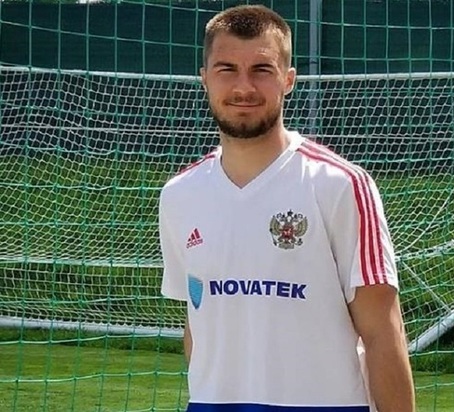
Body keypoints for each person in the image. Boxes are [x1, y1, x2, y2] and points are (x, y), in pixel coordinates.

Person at [159, 4, 415, 412]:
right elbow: (198, 319)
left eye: (262, 69)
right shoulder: (179, 194)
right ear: (205, 77)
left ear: (288, 79)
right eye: (227, 69)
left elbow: (384, 332)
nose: (244, 87)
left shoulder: (340, 185)